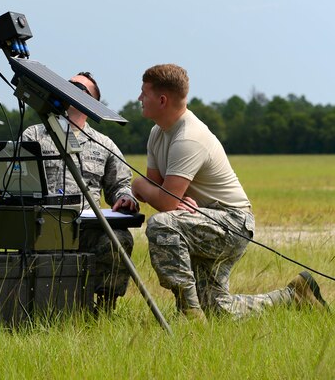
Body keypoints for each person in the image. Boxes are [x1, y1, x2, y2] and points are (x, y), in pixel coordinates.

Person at [132, 64, 327, 320]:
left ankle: (189, 315)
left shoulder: (189, 137)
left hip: (231, 222)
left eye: (143, 93)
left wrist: (138, 186)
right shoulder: (157, 133)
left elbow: (165, 201)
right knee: (219, 310)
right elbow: (159, 190)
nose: (139, 99)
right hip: (203, 219)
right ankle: (294, 295)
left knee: (162, 225)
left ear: (162, 99)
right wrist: (162, 194)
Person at [21, 72, 138, 313]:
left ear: (92, 103)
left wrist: (125, 199)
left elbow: (120, 186)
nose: (70, 89)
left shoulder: (105, 144)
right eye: (68, 85)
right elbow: (21, 182)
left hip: (87, 228)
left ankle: (104, 309)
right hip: (45, 225)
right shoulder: (34, 136)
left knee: (120, 238)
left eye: (79, 88)